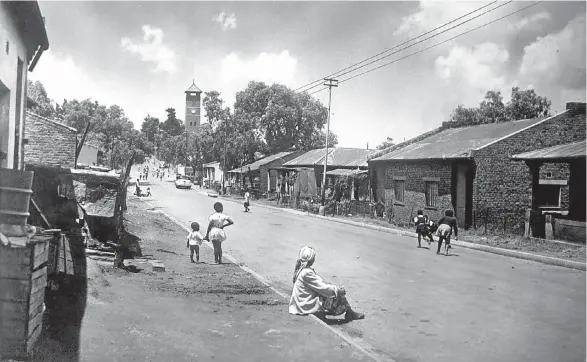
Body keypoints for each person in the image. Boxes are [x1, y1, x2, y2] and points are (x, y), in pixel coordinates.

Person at [289, 246, 365, 321]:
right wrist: (337, 290)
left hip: (301, 302)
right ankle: (349, 313)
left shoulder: (302, 269)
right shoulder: (306, 273)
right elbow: (322, 288)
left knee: (332, 292)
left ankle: (349, 313)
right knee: (337, 295)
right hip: (304, 305)